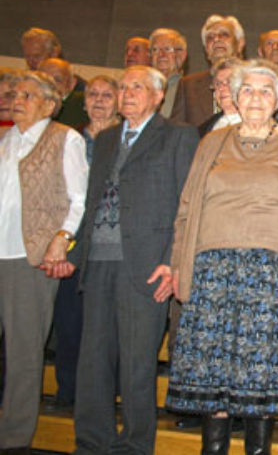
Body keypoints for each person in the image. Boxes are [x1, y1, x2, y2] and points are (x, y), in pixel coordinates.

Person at [165, 59, 278, 455]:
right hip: (211, 271)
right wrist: (179, 265)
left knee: (263, 371)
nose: (256, 98)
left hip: (272, 270)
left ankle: (258, 450)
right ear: (234, 97)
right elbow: (186, 209)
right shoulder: (211, 143)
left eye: (265, 90)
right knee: (213, 371)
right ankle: (213, 450)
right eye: (248, 90)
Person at [67, 65, 199, 455]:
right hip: (99, 260)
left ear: (159, 96)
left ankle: (134, 445)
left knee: (137, 359)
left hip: (146, 264)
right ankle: (92, 441)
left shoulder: (177, 136)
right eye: (122, 87)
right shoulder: (106, 139)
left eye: (136, 87)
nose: (126, 94)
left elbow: (186, 204)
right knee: (93, 358)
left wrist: (173, 261)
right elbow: (91, 201)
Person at [0, 70, 88, 452]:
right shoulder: (7, 138)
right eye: (13, 93)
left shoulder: (64, 138)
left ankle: (13, 437)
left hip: (28, 256)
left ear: (51, 104)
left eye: (27, 95)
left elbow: (78, 198)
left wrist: (61, 239)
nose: (16, 100)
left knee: (22, 350)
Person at [49, 75, 121, 413]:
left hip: (111, 244)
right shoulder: (69, 138)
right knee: (69, 321)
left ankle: (105, 395)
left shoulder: (127, 138)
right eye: (92, 94)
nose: (99, 100)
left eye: (108, 95)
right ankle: (68, 393)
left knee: (108, 327)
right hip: (71, 240)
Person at [171, 14, 246, 126]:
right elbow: (176, 131)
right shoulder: (188, 85)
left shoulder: (254, 79)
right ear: (206, 49)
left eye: (224, 34)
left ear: (240, 44)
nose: (216, 39)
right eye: (210, 38)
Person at [39, 57, 89, 129]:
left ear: (71, 83)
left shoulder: (82, 104)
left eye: (57, 80)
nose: (52, 85)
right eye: (45, 80)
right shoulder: (29, 104)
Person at [149, 27, 188, 118]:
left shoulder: (190, 89)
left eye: (167, 49)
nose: (161, 55)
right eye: (155, 50)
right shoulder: (141, 87)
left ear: (181, 55)